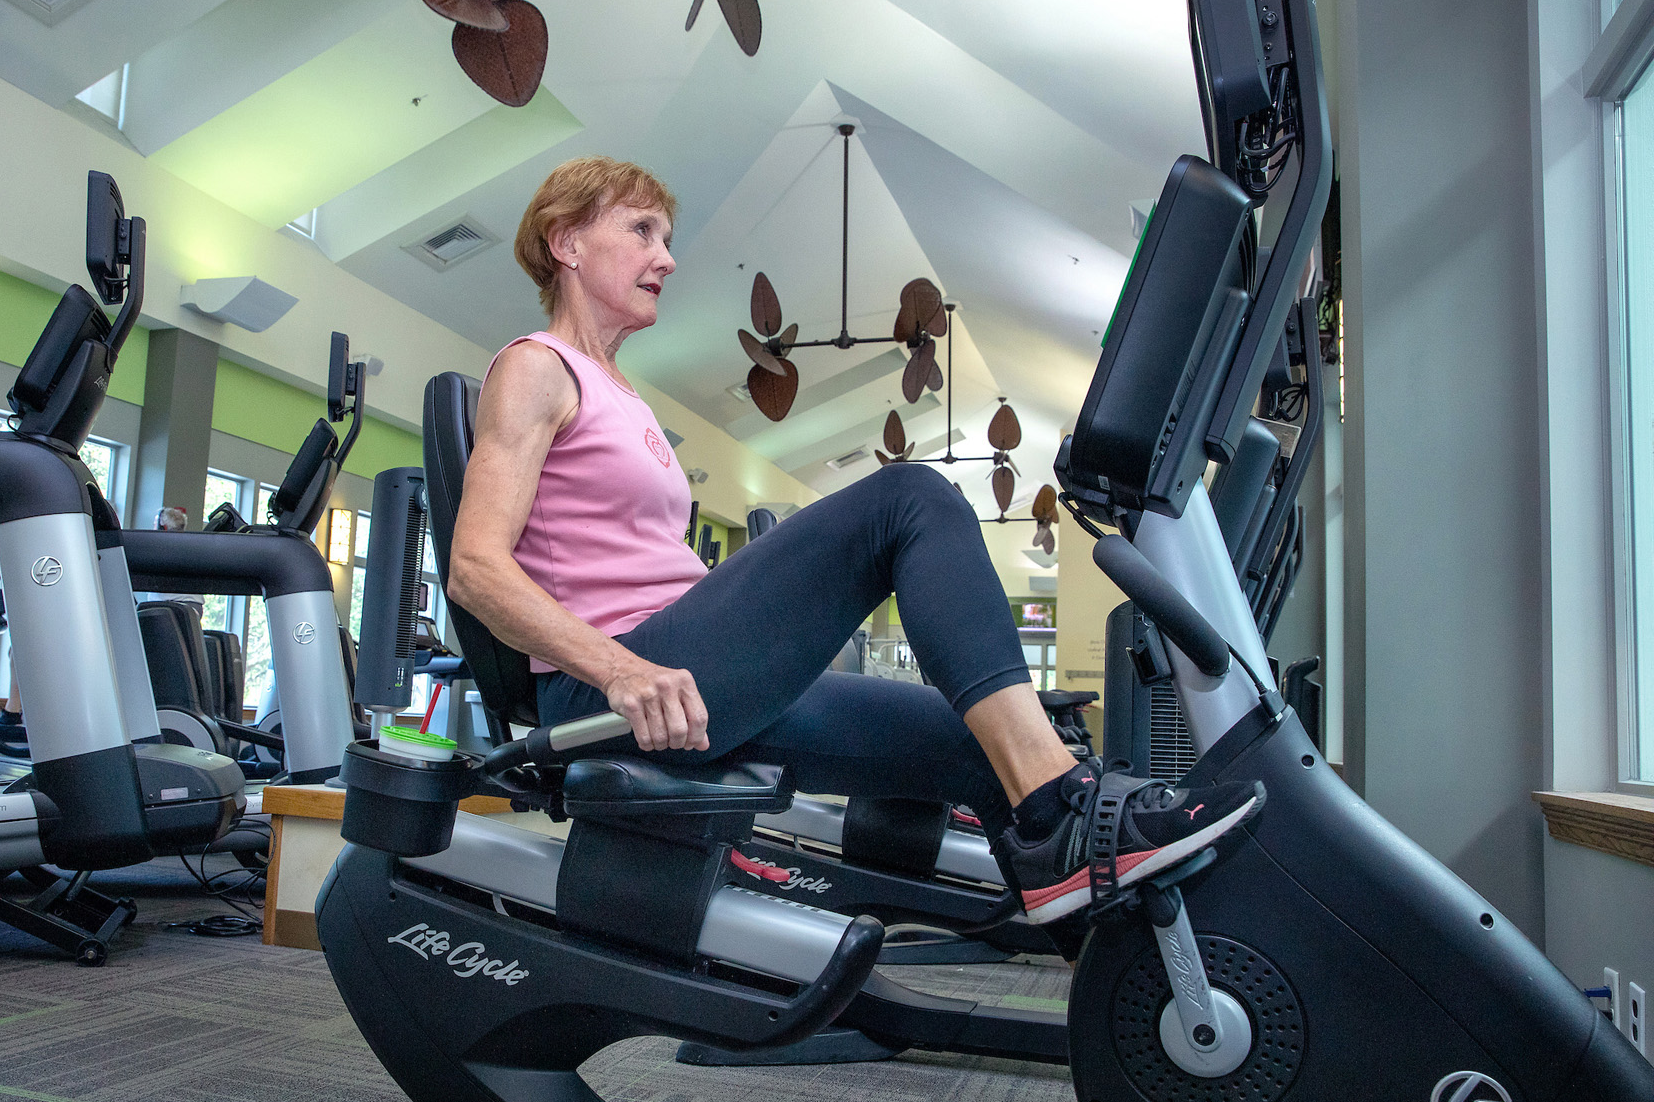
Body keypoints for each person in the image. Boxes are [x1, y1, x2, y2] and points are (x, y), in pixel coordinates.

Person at [448, 156, 1265, 926]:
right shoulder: (536, 367)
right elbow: (475, 568)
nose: (665, 257)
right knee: (909, 498)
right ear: (567, 242)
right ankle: (1065, 811)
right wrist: (620, 671)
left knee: (978, 743)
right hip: (617, 686)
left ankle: (1116, 965)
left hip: (689, 676)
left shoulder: (624, 392)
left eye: (665, 237)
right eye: (641, 231)